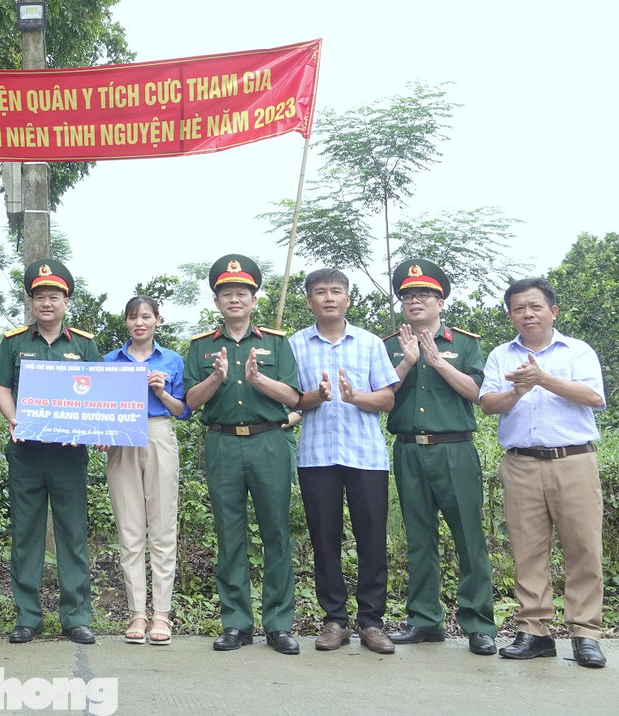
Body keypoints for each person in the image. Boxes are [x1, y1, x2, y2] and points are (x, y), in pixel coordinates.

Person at [480, 277, 608, 669]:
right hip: (520, 463)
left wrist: (543, 379)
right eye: (519, 308)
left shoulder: (577, 351)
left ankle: (585, 634)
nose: (528, 314)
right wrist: (517, 391)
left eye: (535, 306)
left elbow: (594, 397)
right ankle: (534, 632)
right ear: (510, 315)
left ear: (553, 311)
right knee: (527, 549)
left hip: (573, 460)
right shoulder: (501, 355)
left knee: (583, 548)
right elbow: (487, 403)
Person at [184, 255, 302, 655]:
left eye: (242, 293)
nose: (234, 299)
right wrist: (216, 378)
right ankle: (236, 623)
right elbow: (191, 401)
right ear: (217, 301)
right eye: (226, 293)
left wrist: (258, 379)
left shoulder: (277, 343)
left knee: (276, 533)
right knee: (229, 533)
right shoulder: (201, 347)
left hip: (268, 442)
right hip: (222, 444)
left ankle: (279, 624)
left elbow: (294, 397)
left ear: (254, 299)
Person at [383, 259, 497, 656]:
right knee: (419, 537)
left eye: (424, 295)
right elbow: (380, 396)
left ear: (441, 302)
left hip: (455, 449)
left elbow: (478, 394)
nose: (415, 301)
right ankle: (424, 620)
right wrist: (408, 361)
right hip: (409, 449)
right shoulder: (389, 345)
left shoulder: (464, 344)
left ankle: (478, 624)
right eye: (408, 296)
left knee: (468, 537)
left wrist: (436, 363)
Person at [0, 258, 101, 645]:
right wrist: (14, 418)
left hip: (69, 456)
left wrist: (84, 426)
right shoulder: (14, 343)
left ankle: (76, 617)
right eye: (40, 297)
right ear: (32, 303)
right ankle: (28, 617)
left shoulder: (84, 344)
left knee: (73, 536)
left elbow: (98, 393)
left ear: (66, 302)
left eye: (54, 296)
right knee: (25, 536)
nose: (47, 303)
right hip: (26, 454)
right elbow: (2, 388)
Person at [290, 267, 399, 655]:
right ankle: (334, 619)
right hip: (317, 456)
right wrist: (315, 397)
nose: (329, 298)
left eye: (336, 291)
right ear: (309, 301)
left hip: (365, 456)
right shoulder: (295, 345)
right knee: (324, 539)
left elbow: (387, 399)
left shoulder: (369, 343)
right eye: (321, 292)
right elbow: (291, 399)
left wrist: (355, 397)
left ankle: (371, 622)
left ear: (348, 299)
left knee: (372, 539)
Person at [102, 294, 188, 648]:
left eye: (147, 316)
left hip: (158, 433)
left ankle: (161, 614)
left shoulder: (172, 360)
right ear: (125, 322)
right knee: (130, 529)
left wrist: (161, 391)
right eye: (133, 317)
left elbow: (182, 410)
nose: (140, 322)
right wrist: (103, 434)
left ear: (157, 320)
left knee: (163, 528)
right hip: (121, 439)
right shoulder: (110, 360)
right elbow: (99, 407)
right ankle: (137, 612)